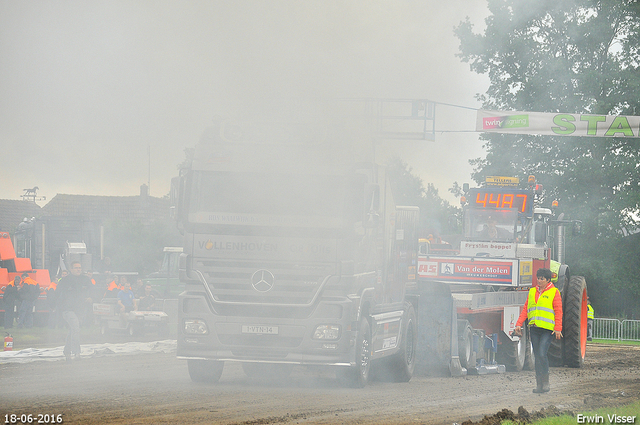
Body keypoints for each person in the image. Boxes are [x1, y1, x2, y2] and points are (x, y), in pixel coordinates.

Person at [514, 268, 563, 393]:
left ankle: (545, 382)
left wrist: (558, 328)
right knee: (537, 355)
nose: (539, 280)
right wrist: (519, 324)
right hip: (534, 329)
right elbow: (526, 309)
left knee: (542, 354)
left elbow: (558, 311)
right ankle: (539, 385)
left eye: (542, 278)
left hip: (547, 330)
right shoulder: (532, 292)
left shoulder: (554, 292)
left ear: (548, 280)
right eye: (538, 278)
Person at [55, 261, 93, 361]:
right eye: (76, 268)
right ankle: (77, 353)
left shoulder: (85, 279)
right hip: (67, 310)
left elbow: (93, 290)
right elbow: (57, 294)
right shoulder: (64, 280)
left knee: (73, 330)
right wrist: (57, 307)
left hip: (80, 309)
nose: (78, 269)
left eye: (79, 267)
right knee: (75, 327)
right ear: (71, 270)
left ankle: (67, 351)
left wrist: (91, 298)